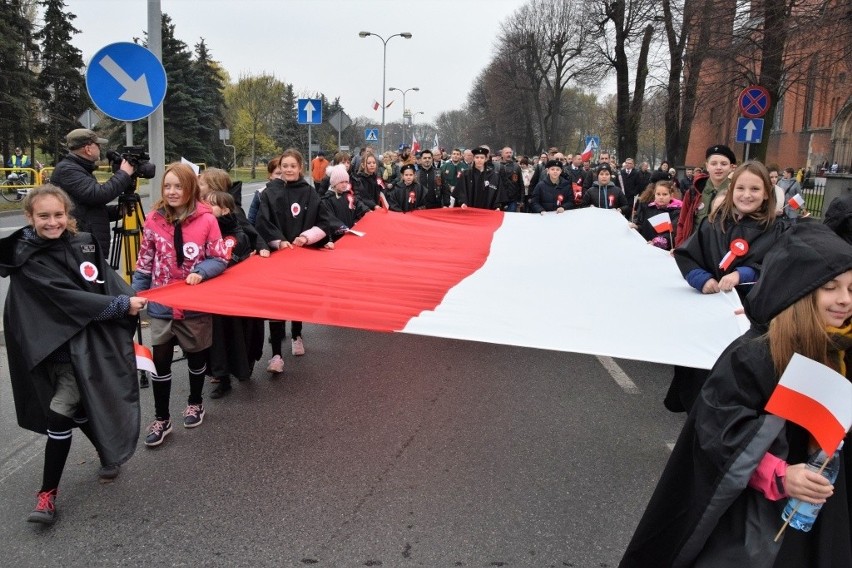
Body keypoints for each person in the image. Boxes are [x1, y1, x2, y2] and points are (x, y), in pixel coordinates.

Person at [621, 222, 852, 568]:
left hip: (823, 507)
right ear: (798, 288)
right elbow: (719, 429)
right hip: (754, 518)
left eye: (851, 288)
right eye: (831, 287)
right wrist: (780, 475)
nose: (845, 299)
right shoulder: (755, 354)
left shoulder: (841, 348)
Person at [0, 185, 146, 524]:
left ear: (69, 215)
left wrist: (130, 296)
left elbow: (105, 278)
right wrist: (121, 305)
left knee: (60, 413)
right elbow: (64, 297)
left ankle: (46, 495)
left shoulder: (83, 243)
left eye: (59, 215)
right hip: (45, 345)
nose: (53, 222)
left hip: (80, 346)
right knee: (75, 407)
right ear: (29, 217)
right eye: (44, 216)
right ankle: (107, 453)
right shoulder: (28, 257)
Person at [668, 160, 786, 412]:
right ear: (732, 191)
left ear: (766, 193)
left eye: (755, 189)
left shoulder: (777, 230)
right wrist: (703, 279)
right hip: (710, 318)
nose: (746, 195)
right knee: (701, 388)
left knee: (740, 387)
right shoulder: (713, 223)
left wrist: (744, 273)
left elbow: (780, 267)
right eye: (740, 188)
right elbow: (687, 255)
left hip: (752, 322)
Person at [132, 163, 229, 447]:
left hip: (195, 306)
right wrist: (134, 297)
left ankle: (195, 402)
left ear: (190, 189)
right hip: (162, 305)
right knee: (160, 360)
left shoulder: (207, 220)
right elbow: (143, 264)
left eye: (179, 186)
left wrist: (203, 271)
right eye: (167, 186)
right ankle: (162, 418)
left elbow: (219, 258)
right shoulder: (153, 220)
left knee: (196, 357)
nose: (172, 192)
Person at [254, 149, 334, 373]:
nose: (288, 169)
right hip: (279, 257)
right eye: (285, 166)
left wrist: (306, 237)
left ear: (300, 168)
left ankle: (297, 334)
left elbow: (323, 221)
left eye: (293, 166)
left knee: (297, 301)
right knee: (277, 304)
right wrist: (278, 242)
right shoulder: (269, 193)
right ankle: (276, 355)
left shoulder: (310, 193)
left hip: (301, 257)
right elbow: (262, 222)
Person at [203, 191, 268, 399]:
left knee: (239, 335)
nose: (207, 207)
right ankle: (222, 377)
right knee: (218, 340)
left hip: (234, 298)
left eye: (212, 204)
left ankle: (241, 368)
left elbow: (229, 262)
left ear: (226, 210)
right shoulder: (204, 229)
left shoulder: (236, 235)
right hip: (214, 298)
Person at [49, 129, 136, 257]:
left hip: (85, 242)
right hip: (79, 244)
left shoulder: (80, 168)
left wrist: (118, 211)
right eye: (97, 145)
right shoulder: (67, 169)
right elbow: (98, 195)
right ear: (88, 149)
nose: (100, 148)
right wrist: (124, 174)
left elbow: (88, 209)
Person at [676, 144, 737, 247]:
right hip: (693, 247)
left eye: (723, 164)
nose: (718, 167)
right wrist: (680, 246)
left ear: (731, 167)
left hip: (721, 249)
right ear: (707, 166)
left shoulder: (736, 192)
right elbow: (682, 222)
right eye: (713, 163)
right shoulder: (693, 191)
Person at [321, 164, 372, 241]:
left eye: (346, 182)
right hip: (337, 237)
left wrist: (367, 211)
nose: (344, 184)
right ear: (334, 183)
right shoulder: (327, 200)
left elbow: (358, 204)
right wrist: (341, 227)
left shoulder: (348, 196)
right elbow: (329, 219)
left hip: (350, 234)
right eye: (341, 182)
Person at [632, 180, 682, 250]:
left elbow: (673, 233)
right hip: (645, 246)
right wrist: (636, 227)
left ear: (671, 196)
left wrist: (658, 242)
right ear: (654, 195)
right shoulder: (648, 208)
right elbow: (643, 226)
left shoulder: (676, 212)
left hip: (663, 252)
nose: (661, 197)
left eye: (664, 194)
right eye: (658, 194)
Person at [247, 157, 282, 225]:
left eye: (283, 173)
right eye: (278, 173)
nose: (281, 177)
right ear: (270, 175)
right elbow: (251, 221)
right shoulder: (260, 194)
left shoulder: (292, 192)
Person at [496, 146, 523, 212]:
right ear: (502, 154)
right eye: (507, 153)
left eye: (510, 153)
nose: (509, 154)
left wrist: (521, 200)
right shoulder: (497, 166)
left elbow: (520, 183)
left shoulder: (516, 166)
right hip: (500, 199)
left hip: (513, 199)